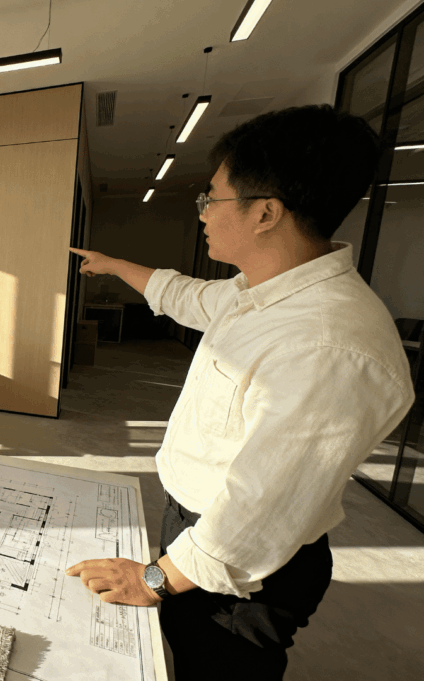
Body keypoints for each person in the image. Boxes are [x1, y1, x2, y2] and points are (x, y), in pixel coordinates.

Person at [63, 105, 413, 680]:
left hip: (242, 570)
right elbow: (186, 296)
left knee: (217, 665)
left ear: (266, 213)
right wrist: (112, 264)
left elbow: (263, 509)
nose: (201, 212)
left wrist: (154, 578)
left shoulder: (328, 344)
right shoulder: (260, 293)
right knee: (180, 649)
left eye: (212, 198)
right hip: (196, 528)